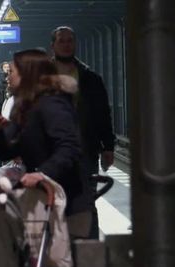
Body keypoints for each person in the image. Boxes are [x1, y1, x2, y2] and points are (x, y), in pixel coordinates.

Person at [0, 48, 93, 267]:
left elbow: (69, 148)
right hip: (44, 206)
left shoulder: (52, 105)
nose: (8, 74)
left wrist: (41, 173)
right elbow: (10, 149)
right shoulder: (28, 106)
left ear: (29, 73)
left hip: (67, 206)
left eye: (13, 70)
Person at [50, 26, 116, 240]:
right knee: (53, 203)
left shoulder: (90, 78)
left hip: (84, 152)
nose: (67, 44)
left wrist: (108, 146)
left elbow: (102, 114)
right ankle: (58, 254)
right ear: (54, 45)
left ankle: (88, 256)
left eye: (70, 40)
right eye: (62, 41)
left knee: (86, 204)